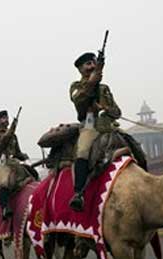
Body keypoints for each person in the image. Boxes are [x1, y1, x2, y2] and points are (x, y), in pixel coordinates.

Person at [68, 52, 122, 211]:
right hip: (90, 127)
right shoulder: (76, 87)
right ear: (80, 69)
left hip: (109, 126)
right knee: (83, 151)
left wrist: (106, 109)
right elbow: (78, 100)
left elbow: (117, 112)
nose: (91, 66)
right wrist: (92, 82)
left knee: (134, 146)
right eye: (87, 64)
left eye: (93, 63)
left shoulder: (104, 88)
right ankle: (78, 194)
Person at [0, 110, 29, 219]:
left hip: (14, 163)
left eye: (6, 117)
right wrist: (12, 129)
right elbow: (0, 145)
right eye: (3, 118)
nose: (6, 120)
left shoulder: (13, 136)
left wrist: (23, 155)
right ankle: (4, 208)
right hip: (3, 163)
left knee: (32, 174)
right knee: (4, 182)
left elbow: (17, 152)